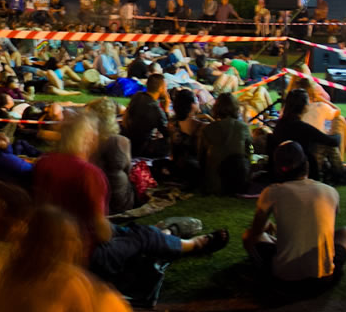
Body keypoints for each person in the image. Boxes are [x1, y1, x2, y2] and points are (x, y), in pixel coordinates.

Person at [32, 114, 228, 289]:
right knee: (141, 237)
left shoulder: (44, 163)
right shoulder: (89, 174)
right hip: (87, 257)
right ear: (87, 138)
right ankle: (193, 244)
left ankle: (165, 234)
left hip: (49, 250)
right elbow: (101, 232)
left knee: (134, 232)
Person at [243, 141, 346, 292]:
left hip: (286, 280)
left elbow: (256, 233)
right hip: (324, 279)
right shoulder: (329, 191)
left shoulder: (272, 192)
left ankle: (265, 271)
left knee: (248, 235)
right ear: (307, 165)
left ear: (278, 169)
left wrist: (267, 225)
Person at [0, 205, 133, 312]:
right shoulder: (66, 282)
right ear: (49, 243)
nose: (78, 244)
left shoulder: (11, 273)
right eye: (70, 239)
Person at [86, 98, 135, 214]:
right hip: (119, 202)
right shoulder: (122, 141)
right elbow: (128, 171)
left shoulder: (86, 142)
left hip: (95, 202)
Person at [198, 92, 252, 195]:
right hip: (239, 182)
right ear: (236, 108)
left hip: (215, 184)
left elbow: (201, 157)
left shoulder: (208, 129)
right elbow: (250, 149)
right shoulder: (243, 127)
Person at [121, 73, 170, 158]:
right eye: (165, 87)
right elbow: (168, 133)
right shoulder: (156, 110)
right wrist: (166, 109)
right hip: (140, 148)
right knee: (171, 143)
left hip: (126, 139)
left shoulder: (137, 96)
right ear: (161, 89)